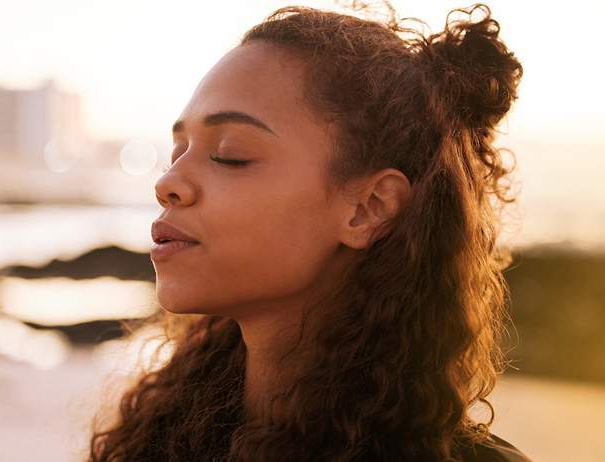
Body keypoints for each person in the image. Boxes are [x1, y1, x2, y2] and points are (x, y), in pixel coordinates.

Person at [88, 3, 531, 461]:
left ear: (368, 208)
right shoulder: (161, 439)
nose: (167, 184)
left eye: (229, 154)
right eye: (178, 152)